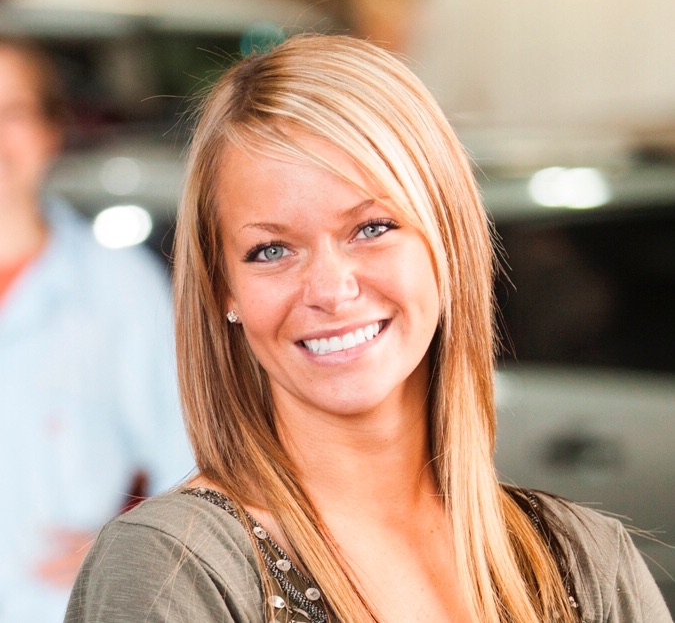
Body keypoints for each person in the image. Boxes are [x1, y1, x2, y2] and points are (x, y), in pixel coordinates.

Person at [65, 35, 671, 622]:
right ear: (225, 289)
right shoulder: (173, 568)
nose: (330, 290)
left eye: (371, 229)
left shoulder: (588, 562)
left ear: (447, 240)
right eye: (272, 250)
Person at [0, 37, 193, 622]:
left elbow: (187, 460)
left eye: (14, 112)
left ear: (50, 132)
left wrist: (128, 549)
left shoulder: (119, 289)